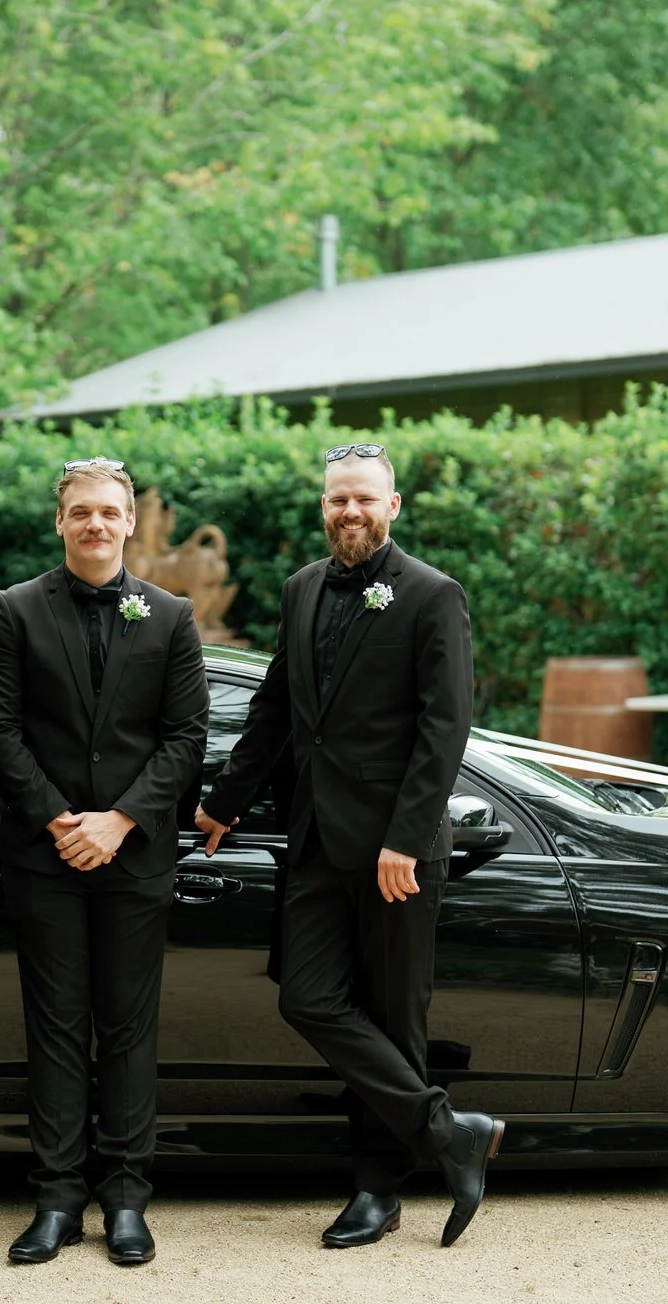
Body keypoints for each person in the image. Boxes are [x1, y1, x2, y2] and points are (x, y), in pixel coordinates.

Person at [193, 442, 499, 1249]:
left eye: (364, 498)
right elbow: (276, 707)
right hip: (318, 842)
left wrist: (405, 837)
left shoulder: (433, 594)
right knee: (308, 996)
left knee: (394, 1018)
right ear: (323, 506)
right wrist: (223, 801)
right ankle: (449, 1129)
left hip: (399, 853)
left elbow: (444, 726)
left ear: (392, 505)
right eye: (338, 499)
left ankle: (377, 1190)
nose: (350, 511)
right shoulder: (301, 588)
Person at [0, 458, 209, 1267]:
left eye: (109, 511)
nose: (96, 524)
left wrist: (120, 821)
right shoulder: (13, 611)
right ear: (61, 521)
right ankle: (56, 1199)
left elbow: (185, 737)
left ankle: (127, 1200)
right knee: (55, 1027)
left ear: (130, 521)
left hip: (134, 858)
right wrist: (56, 818)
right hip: (42, 856)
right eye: (81, 512)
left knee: (129, 1029)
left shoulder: (171, 616)